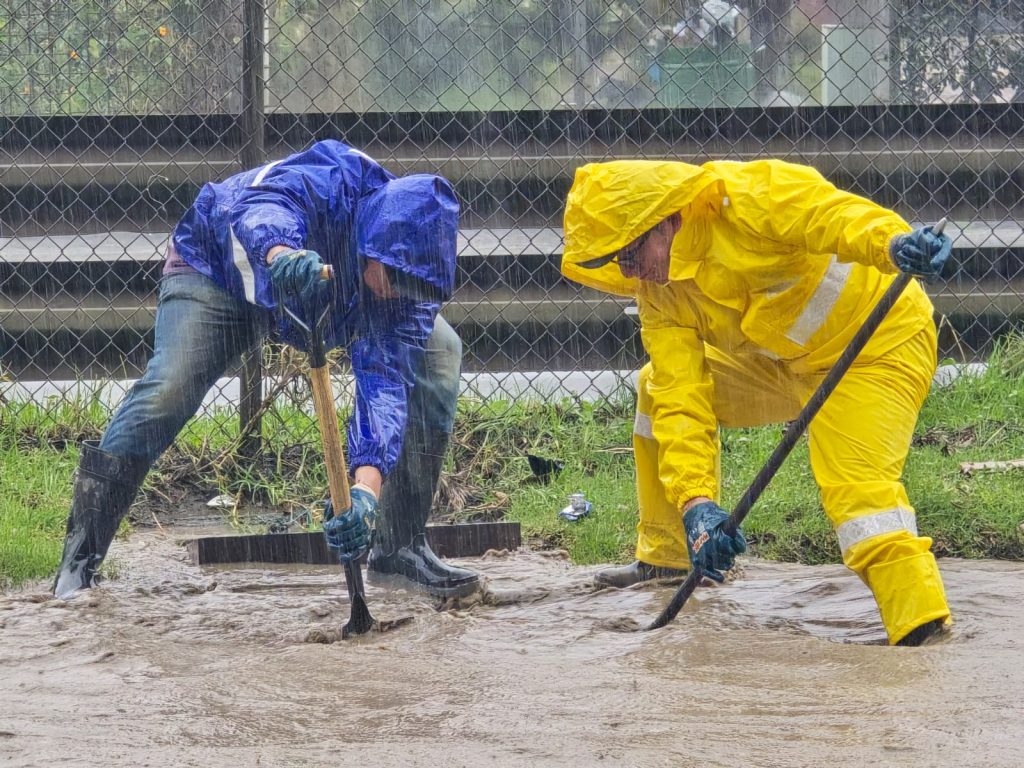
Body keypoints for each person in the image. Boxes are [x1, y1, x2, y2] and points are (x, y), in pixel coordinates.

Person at [53, 139, 480, 601]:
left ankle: (398, 548)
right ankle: (79, 562)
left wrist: (365, 494)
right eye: (396, 277)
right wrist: (280, 253)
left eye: (414, 285)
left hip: (313, 296)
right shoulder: (336, 175)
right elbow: (261, 205)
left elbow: (386, 387)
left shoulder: (406, 296)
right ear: (378, 241)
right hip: (220, 272)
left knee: (438, 356)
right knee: (169, 389)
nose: (398, 293)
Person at [560, 158, 953, 647]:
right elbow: (681, 396)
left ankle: (920, 628)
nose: (628, 271)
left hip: (874, 348)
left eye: (630, 253)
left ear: (667, 220)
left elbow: (833, 215)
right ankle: (669, 559)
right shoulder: (658, 293)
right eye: (614, 263)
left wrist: (893, 244)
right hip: (781, 368)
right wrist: (697, 505)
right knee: (653, 391)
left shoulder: (750, 197)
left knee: (861, 495)